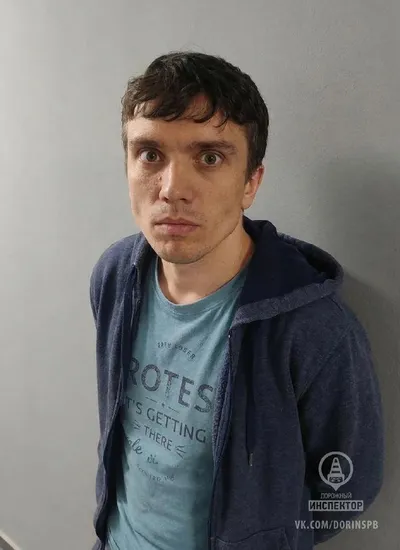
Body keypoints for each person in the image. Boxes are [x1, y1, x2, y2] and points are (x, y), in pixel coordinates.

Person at [89, 51, 384, 550]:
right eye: (150, 154)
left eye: (209, 157)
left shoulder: (315, 330)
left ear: (251, 182)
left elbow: (348, 490)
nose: (172, 189)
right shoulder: (116, 275)